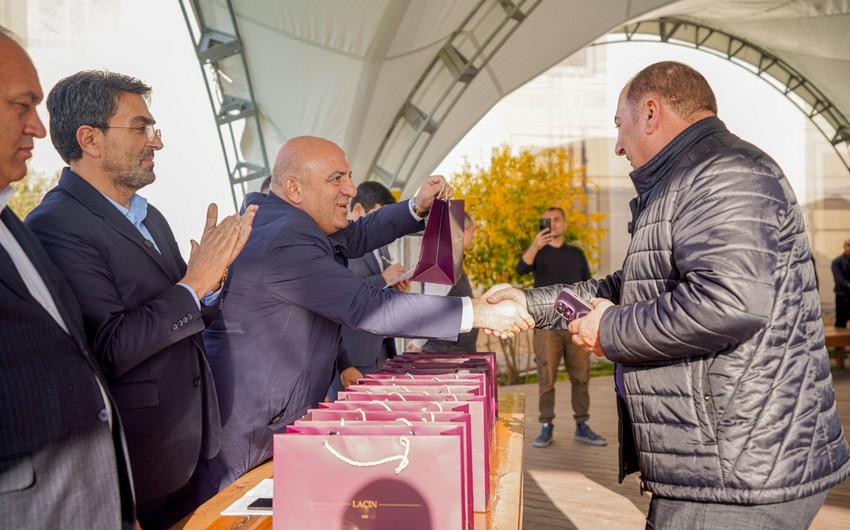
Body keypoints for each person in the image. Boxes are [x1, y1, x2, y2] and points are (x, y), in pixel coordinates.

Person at [487, 61, 849, 527]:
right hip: (723, 466)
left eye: (621, 125)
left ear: (651, 113)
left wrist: (610, 329)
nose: (617, 145)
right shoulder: (690, 178)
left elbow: (727, 303)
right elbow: (629, 285)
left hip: (734, 477)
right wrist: (528, 303)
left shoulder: (724, 172)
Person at [199, 135, 533, 495]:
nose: (351, 188)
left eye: (349, 176)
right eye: (336, 179)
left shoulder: (294, 223)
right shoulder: (286, 240)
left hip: (270, 419)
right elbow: (367, 307)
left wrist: (416, 208)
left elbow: (358, 233)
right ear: (294, 188)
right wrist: (476, 311)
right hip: (250, 431)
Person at [26, 70, 256, 529]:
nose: (156, 143)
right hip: (134, 463)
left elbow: (186, 311)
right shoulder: (55, 226)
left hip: (188, 450)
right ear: (89, 139)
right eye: (140, 128)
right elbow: (107, 348)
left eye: (154, 129)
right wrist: (193, 284)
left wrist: (207, 288)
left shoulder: (150, 217)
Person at [0, 28, 135, 528]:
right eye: (21, 106)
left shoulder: (14, 227)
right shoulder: (54, 223)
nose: (37, 127)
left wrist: (119, 506)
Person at [516, 207, 605, 448]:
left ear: (565, 224)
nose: (552, 224)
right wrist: (535, 245)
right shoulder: (539, 253)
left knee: (581, 377)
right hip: (546, 327)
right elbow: (520, 270)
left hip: (576, 325)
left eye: (557, 220)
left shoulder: (576, 253)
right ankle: (546, 426)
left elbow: (589, 286)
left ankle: (582, 426)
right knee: (546, 379)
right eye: (547, 221)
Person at [328, 181, 409, 400]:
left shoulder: (380, 243)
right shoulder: (338, 243)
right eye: (378, 215)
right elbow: (345, 291)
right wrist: (383, 278)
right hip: (352, 352)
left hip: (381, 345)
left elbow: (378, 289)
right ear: (358, 210)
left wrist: (394, 286)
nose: (382, 224)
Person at [408, 211, 479, 352]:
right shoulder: (442, 262)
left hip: (452, 349)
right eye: (473, 230)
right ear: (461, 231)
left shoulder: (449, 259)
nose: (474, 235)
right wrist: (417, 344)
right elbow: (431, 306)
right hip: (444, 353)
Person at [831, 239, 850, 327]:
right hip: (843, 296)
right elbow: (838, 278)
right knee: (841, 323)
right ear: (844, 246)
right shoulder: (837, 261)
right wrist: (848, 284)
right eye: (848, 245)